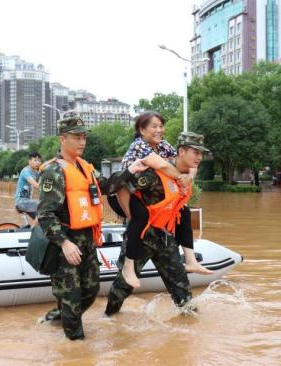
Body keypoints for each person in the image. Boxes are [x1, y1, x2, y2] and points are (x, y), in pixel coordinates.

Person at [37, 116, 143, 340]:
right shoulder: (53, 172)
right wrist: (64, 244)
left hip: (87, 241)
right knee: (71, 298)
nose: (82, 142)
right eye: (77, 137)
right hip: (65, 244)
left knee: (91, 290)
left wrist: (131, 170)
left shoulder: (86, 168)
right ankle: (76, 348)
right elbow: (45, 215)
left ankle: (56, 318)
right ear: (63, 139)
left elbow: (108, 186)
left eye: (84, 137)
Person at [105, 131, 210, 316]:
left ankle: (191, 330)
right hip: (142, 236)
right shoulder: (155, 174)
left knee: (182, 288)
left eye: (201, 153)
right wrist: (129, 215)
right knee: (122, 287)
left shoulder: (186, 176)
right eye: (196, 152)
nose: (199, 157)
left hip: (165, 237)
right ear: (182, 151)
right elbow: (118, 187)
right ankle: (109, 317)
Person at [116, 112, 212, 289]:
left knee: (184, 211)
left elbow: (185, 161)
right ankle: (128, 268)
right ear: (142, 130)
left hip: (145, 194)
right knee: (140, 217)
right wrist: (181, 177)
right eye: (154, 126)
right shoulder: (139, 145)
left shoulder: (163, 146)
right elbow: (163, 165)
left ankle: (190, 260)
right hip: (126, 191)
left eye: (161, 126)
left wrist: (189, 177)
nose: (159, 130)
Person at [14, 152, 42, 224]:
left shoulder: (35, 172)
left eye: (39, 160)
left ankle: (34, 231)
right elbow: (36, 185)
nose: (38, 162)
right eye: (35, 160)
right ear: (29, 161)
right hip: (21, 201)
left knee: (41, 219)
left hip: (27, 201)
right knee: (44, 205)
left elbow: (42, 181)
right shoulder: (25, 171)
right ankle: (33, 232)